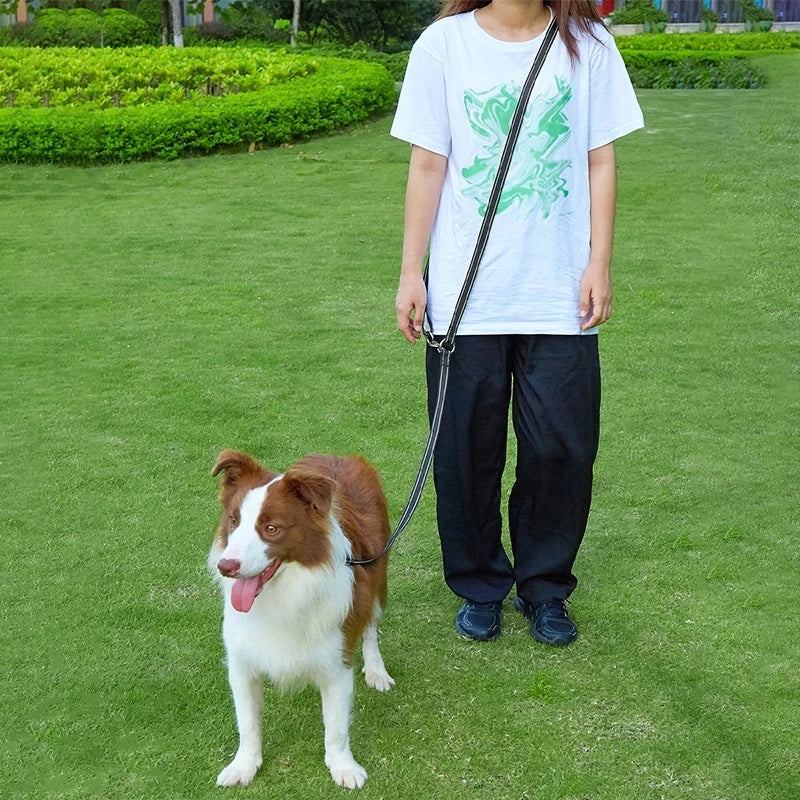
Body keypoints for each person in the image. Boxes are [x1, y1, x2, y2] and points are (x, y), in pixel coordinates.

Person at [391, 0, 643, 645]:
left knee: (562, 448)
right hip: (466, 289)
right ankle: (478, 584)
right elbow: (428, 163)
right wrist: (411, 272)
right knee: (464, 450)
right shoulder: (442, 45)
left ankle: (545, 587)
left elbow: (600, 160)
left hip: (558, 288)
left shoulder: (588, 43)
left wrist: (599, 263)